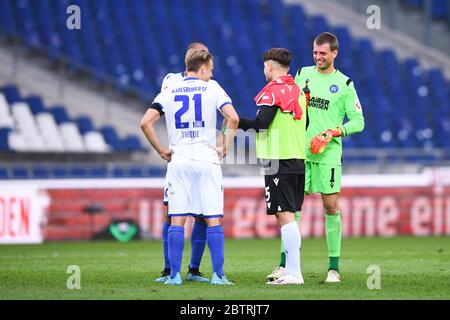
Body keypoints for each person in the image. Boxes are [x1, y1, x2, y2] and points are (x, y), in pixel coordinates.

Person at [268, 32, 365, 283]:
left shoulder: (345, 84)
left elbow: (358, 121)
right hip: (300, 151)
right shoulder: (302, 74)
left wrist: (334, 131)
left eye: (323, 53)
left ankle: (334, 268)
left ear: (334, 53)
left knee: (330, 207)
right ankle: (285, 265)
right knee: (291, 208)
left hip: (328, 155)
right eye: (315, 52)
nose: (318, 57)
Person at [141, 48, 239, 285]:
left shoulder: (170, 89)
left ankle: (174, 275)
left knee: (176, 219)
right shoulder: (213, 88)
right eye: (211, 69)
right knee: (212, 218)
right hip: (207, 160)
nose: (211, 73)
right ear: (203, 67)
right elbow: (233, 118)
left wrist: (161, 150)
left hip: (180, 161)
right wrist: (225, 144)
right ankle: (219, 275)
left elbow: (145, 122)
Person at [238, 48, 308, 285]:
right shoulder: (298, 91)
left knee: (285, 216)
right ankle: (290, 271)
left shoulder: (273, 91)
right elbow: (304, 124)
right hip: (297, 157)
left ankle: (295, 273)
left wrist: (234, 121)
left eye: (264, 66)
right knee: (288, 216)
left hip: (278, 159)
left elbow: (261, 124)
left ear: (269, 66)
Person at [155, 42, 213, 284]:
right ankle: (169, 269)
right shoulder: (171, 81)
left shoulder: (207, 83)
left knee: (201, 215)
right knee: (172, 214)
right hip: (180, 158)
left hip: (200, 157)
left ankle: (193, 269)